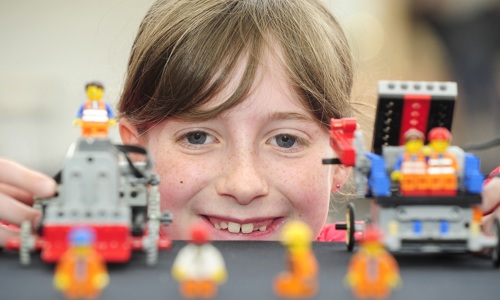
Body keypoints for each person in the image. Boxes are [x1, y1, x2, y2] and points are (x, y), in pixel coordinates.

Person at [0, 0, 355, 244]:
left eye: (286, 140)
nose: (244, 185)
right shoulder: (72, 251)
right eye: (198, 137)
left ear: (341, 158)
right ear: (136, 152)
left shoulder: (381, 264)